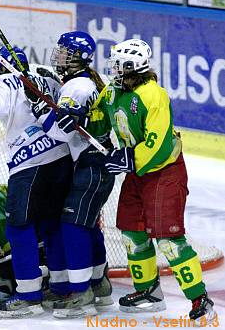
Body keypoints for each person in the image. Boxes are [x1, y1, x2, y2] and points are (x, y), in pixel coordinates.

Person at [88, 38, 217, 325]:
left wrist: (129, 158)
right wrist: (76, 118)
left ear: (132, 66)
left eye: (118, 64)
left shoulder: (152, 95)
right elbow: (98, 120)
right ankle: (148, 291)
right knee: (132, 235)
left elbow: (158, 144)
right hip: (137, 173)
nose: (112, 68)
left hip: (164, 173)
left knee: (169, 241)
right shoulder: (112, 92)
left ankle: (199, 297)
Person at [0, 47, 74, 318]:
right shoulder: (47, 78)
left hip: (30, 165)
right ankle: (62, 286)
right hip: (63, 159)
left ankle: (29, 296)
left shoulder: (5, 80)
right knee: (52, 226)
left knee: (19, 229)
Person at [30, 31, 115, 318]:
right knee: (87, 225)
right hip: (95, 165)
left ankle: (82, 295)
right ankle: (98, 284)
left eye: (64, 51)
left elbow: (58, 132)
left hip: (92, 165)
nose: (59, 55)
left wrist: (38, 106)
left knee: (73, 225)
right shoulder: (82, 82)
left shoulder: (77, 87)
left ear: (77, 56)